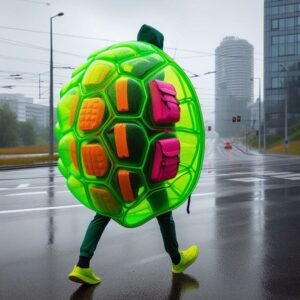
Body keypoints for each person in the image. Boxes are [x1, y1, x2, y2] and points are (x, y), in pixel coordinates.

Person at [68, 24, 199, 285]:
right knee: (163, 212)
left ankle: (82, 263)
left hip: (120, 161)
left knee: (104, 211)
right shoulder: (157, 75)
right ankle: (176, 259)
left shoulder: (121, 74)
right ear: (158, 49)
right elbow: (165, 122)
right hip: (148, 161)